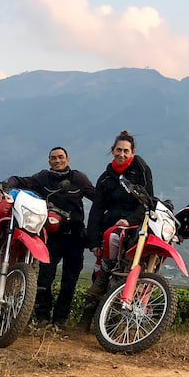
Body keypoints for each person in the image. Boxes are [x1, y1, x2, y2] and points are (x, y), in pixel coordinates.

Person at [4, 147, 95, 330]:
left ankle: (60, 321)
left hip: (75, 237)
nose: (57, 160)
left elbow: (98, 198)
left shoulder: (79, 179)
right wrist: (7, 186)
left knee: (69, 282)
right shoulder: (43, 177)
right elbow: (21, 180)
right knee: (45, 279)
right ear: (49, 161)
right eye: (53, 158)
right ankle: (42, 318)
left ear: (68, 159)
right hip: (50, 237)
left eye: (61, 157)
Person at [77, 130, 154, 332]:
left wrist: (128, 221)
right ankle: (86, 321)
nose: (122, 154)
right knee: (100, 273)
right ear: (112, 150)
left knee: (122, 274)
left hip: (134, 229)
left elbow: (148, 202)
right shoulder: (106, 177)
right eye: (118, 150)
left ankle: (109, 325)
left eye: (126, 151)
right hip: (108, 229)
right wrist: (93, 241)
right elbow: (96, 210)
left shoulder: (140, 170)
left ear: (132, 152)